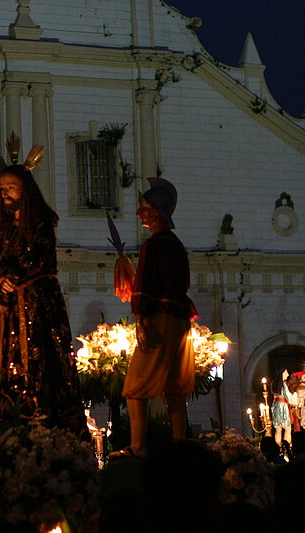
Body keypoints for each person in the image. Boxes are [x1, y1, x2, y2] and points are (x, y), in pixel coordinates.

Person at [0, 140, 85, 432]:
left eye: (11, 187)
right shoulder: (8, 231)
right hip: (14, 306)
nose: (5, 193)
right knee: (11, 359)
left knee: (39, 360)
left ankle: (42, 414)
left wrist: (11, 278)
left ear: (24, 189)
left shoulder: (40, 224)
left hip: (38, 304)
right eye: (2, 188)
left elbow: (36, 261)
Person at [114, 178, 197, 458]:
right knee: (175, 387)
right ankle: (179, 445)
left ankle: (138, 447)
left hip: (159, 319)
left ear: (157, 211)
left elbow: (145, 285)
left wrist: (141, 320)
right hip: (180, 318)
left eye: (143, 208)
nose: (139, 214)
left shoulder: (153, 245)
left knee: (135, 385)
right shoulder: (176, 244)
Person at [271, 369, 296, 450]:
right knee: (287, 428)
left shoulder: (274, 384)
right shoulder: (283, 384)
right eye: (286, 372)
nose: (288, 374)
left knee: (278, 429)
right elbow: (288, 396)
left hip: (275, 407)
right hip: (282, 407)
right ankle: (287, 447)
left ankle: (278, 447)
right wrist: (295, 400)